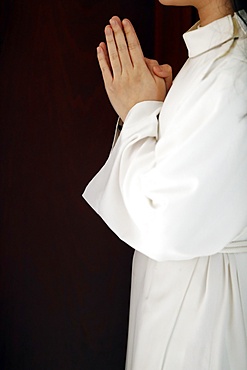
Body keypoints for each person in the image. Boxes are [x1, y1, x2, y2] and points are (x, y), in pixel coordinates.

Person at [83, 0, 247, 368]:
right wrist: (160, 118)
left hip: (203, 310)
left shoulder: (233, 73)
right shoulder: (215, 56)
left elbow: (164, 223)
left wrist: (140, 114)